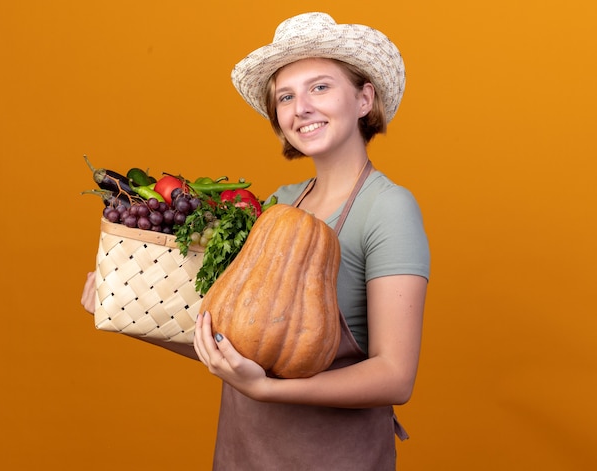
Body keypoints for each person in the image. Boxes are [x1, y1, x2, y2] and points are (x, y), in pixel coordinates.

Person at [82, 11, 429, 470]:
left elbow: (394, 377)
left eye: (320, 87)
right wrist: (124, 307)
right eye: (286, 96)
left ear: (364, 98)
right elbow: (235, 344)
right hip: (244, 451)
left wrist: (268, 388)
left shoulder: (388, 208)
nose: (300, 107)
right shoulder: (279, 203)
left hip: (332, 457)